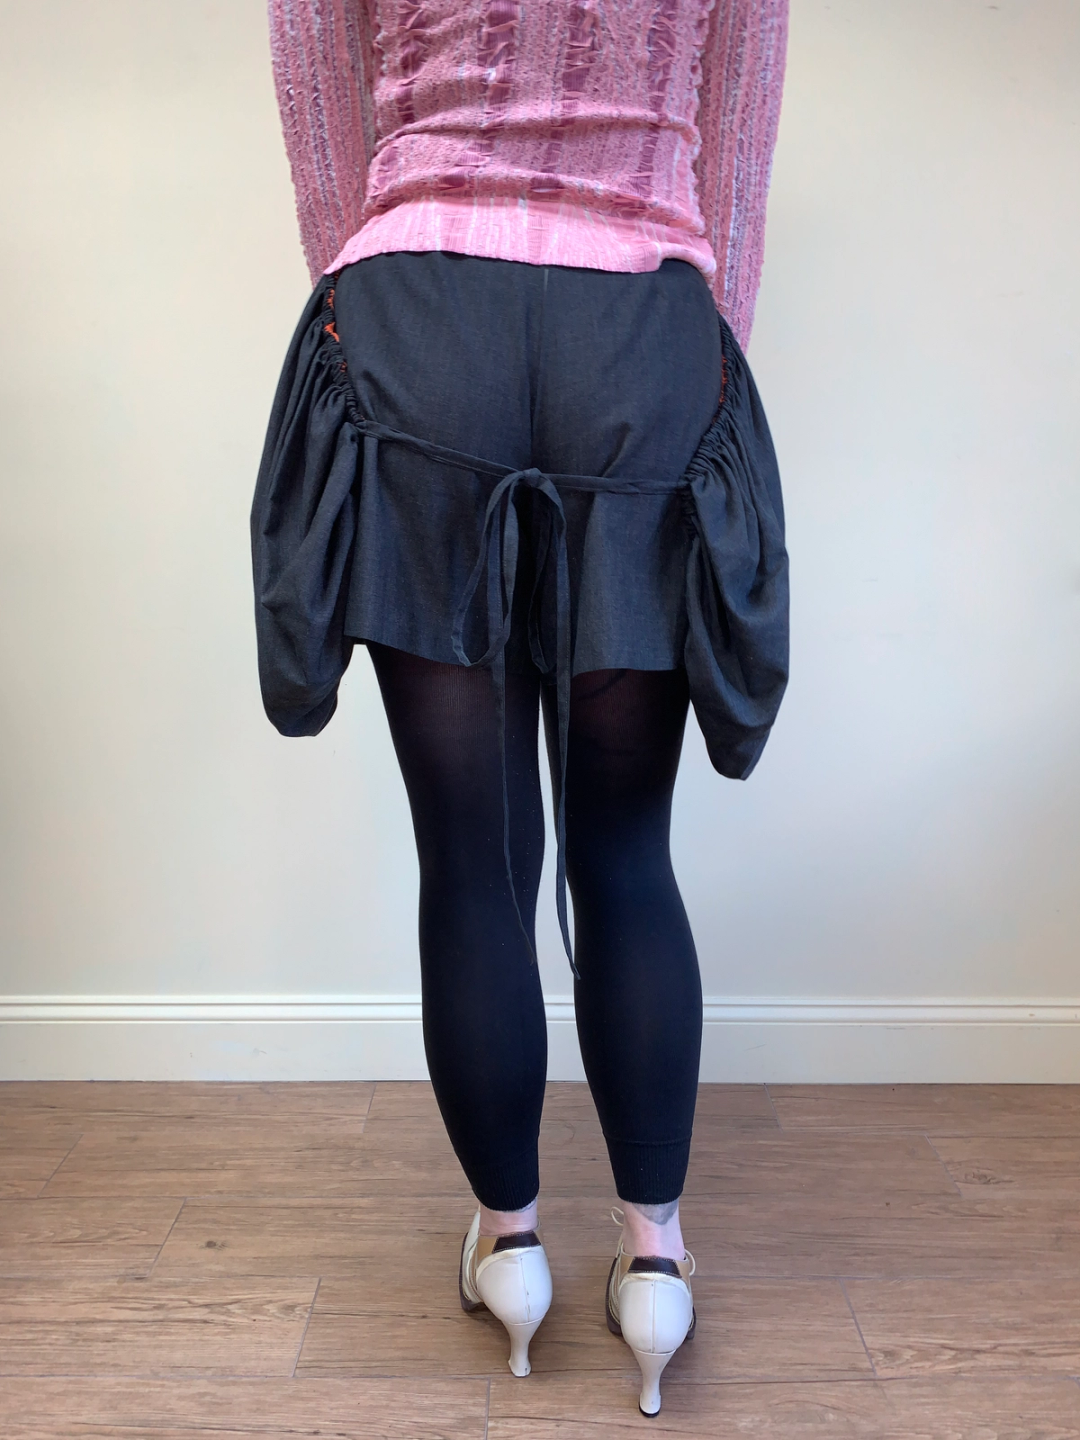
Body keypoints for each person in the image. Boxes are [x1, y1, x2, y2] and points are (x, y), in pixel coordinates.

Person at [252, 0, 789, 1417]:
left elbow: (322, 118)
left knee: (476, 858)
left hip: (418, 323)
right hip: (642, 335)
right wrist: (695, 364)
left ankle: (511, 1250)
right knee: (626, 851)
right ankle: (656, 1262)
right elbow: (735, 150)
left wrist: (381, 301)